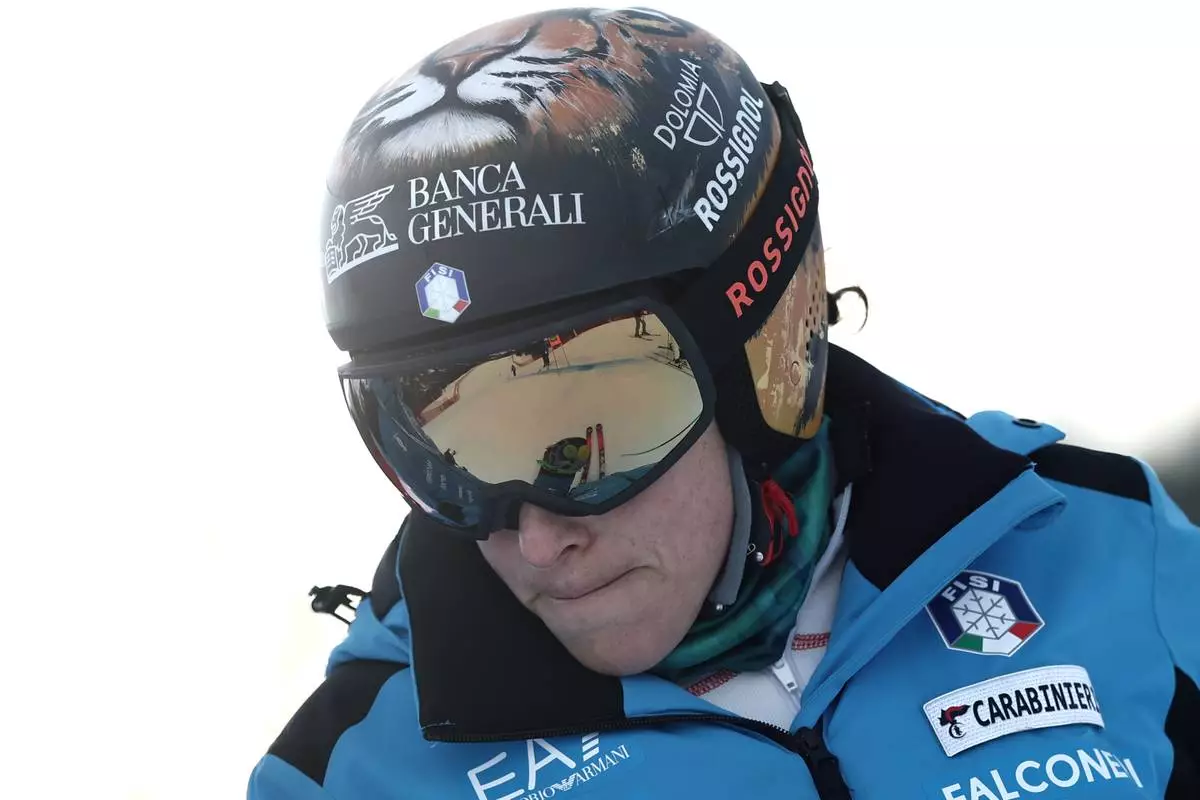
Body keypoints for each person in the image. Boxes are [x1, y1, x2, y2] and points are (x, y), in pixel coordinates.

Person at [249, 8, 1200, 800]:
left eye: (592, 431)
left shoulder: (1105, 546)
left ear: (757, 369)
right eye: (450, 457)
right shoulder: (362, 772)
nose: (537, 541)